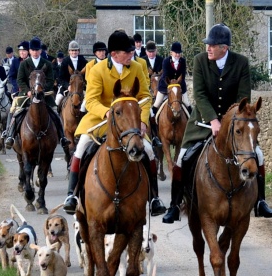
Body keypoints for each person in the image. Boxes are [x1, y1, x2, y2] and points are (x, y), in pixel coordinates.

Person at [162, 24, 272, 223]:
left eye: (212, 45)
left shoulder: (241, 63)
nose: (208, 48)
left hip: (234, 122)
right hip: (203, 121)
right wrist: (214, 120)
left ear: (225, 48)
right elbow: (199, 94)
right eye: (208, 45)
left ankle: (260, 202)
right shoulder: (199, 61)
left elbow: (243, 97)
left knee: (258, 155)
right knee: (183, 157)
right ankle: (175, 204)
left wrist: (227, 122)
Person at [62, 30, 166, 217]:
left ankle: (154, 198)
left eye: (131, 51)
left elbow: (145, 97)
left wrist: (142, 121)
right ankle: (72, 195)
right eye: (127, 52)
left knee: (149, 151)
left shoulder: (136, 67)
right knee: (81, 147)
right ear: (114, 54)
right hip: (102, 120)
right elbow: (92, 100)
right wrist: (107, 112)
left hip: (130, 122)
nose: (131, 54)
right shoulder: (97, 70)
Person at [3, 37, 68, 149]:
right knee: (14, 110)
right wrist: (27, 91)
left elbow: (50, 80)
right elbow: (20, 80)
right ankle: (10, 135)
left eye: (37, 50)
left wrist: (41, 89)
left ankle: (62, 137)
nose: (35, 52)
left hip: (44, 95)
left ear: (40, 51)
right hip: (26, 95)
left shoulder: (47, 63)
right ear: (30, 51)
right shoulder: (24, 64)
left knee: (55, 112)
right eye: (33, 50)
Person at [150, 40, 191, 143]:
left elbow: (182, 76)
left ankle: (190, 132)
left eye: (179, 53)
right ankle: (154, 134)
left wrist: (177, 87)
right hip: (165, 87)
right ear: (171, 53)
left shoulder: (183, 61)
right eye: (175, 53)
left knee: (188, 106)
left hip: (179, 87)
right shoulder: (166, 61)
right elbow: (165, 76)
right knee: (155, 106)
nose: (177, 55)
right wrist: (171, 86)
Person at [56, 39, 88, 111]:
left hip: (81, 87)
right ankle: (58, 118)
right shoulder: (65, 61)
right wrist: (67, 86)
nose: (74, 52)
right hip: (67, 86)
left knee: (88, 100)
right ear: (69, 51)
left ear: (78, 51)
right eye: (72, 50)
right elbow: (61, 77)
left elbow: (86, 75)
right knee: (58, 100)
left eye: (76, 50)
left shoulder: (83, 61)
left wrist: (83, 85)